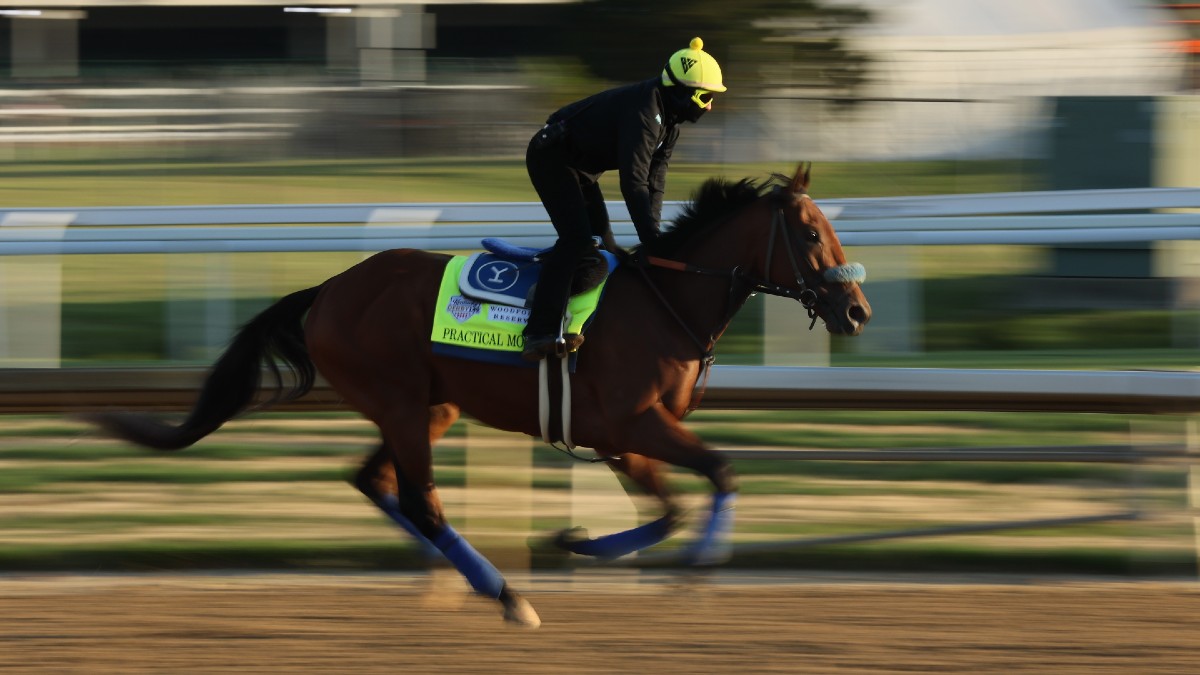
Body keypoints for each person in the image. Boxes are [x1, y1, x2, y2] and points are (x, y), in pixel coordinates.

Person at [521, 37, 727, 361]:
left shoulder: (669, 125)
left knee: (607, 253)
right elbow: (633, 182)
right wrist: (652, 242)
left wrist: (655, 239)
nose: (710, 105)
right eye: (705, 96)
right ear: (681, 90)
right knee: (577, 241)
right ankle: (539, 332)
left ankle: (549, 292)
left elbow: (655, 182)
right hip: (552, 158)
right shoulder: (646, 110)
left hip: (580, 171)